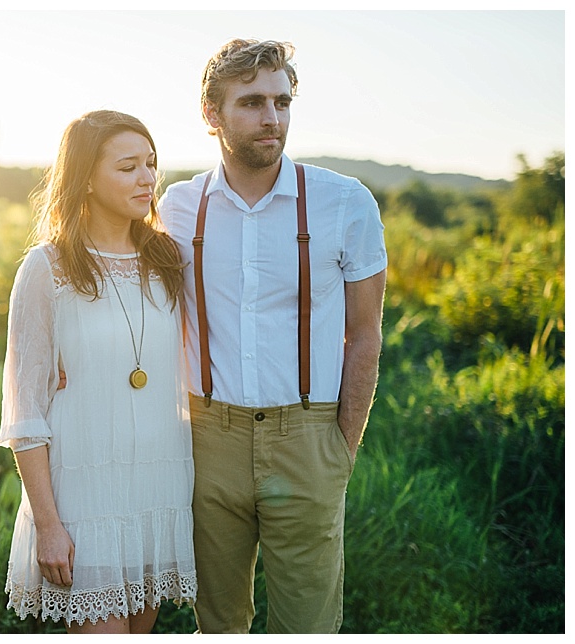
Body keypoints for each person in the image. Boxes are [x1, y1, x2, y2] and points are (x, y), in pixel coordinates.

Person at [157, 39, 388, 633]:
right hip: (208, 438)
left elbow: (364, 336)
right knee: (218, 621)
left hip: (309, 436)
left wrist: (341, 447)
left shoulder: (345, 202)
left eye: (282, 102)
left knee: (307, 624)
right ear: (212, 115)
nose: (272, 119)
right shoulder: (178, 209)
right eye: (253, 102)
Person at [0, 110, 197, 634]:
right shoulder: (48, 267)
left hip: (158, 485)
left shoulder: (170, 260)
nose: (147, 178)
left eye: (151, 164)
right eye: (128, 167)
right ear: (85, 177)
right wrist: (48, 524)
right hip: (85, 494)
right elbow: (25, 410)